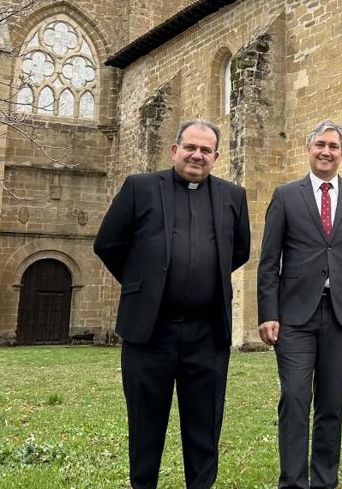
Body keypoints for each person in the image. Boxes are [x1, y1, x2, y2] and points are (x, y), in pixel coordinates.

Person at [93, 118, 250, 489]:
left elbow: (239, 250)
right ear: (174, 150)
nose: (197, 155)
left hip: (207, 332)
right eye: (191, 147)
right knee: (146, 425)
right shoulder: (140, 188)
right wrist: (141, 285)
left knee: (204, 427)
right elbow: (108, 244)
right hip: (150, 332)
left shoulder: (233, 196)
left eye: (206, 150)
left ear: (216, 156)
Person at [257, 119, 342, 489]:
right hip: (294, 316)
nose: (326, 151)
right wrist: (268, 313)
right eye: (320, 145)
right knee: (295, 398)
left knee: (330, 405)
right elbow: (268, 260)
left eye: (334, 146)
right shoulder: (285, 195)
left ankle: (325, 482)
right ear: (308, 149)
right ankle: (293, 483)